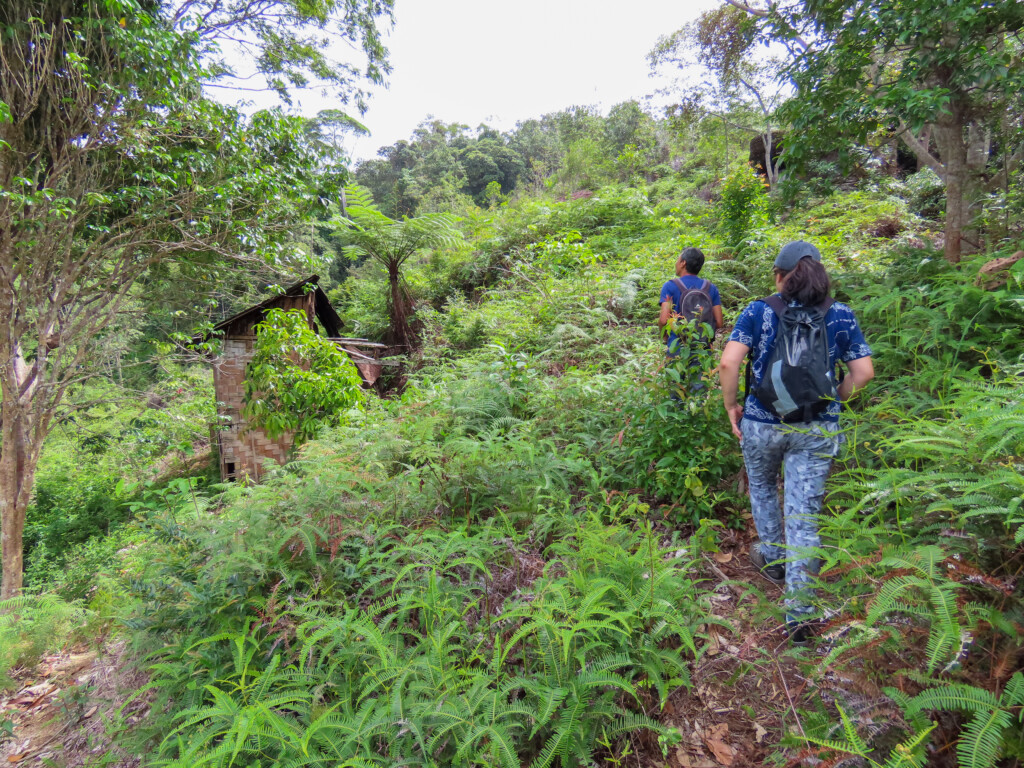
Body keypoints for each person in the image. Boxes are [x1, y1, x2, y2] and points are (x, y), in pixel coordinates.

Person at [718, 240, 874, 645]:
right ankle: (801, 617)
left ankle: (773, 560)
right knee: (803, 514)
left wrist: (732, 405)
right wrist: (835, 399)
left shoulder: (758, 311)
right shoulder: (840, 314)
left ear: (779, 277)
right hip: (816, 429)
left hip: (761, 423)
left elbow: (729, 362)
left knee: (762, 485)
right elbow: (863, 373)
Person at [658, 248, 724, 389]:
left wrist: (665, 338)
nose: (676, 263)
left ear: (683, 263)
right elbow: (719, 322)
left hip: (677, 346)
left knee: (675, 392)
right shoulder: (710, 288)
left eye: (677, 260)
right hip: (702, 348)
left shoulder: (670, 286)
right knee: (699, 393)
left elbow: (664, 320)